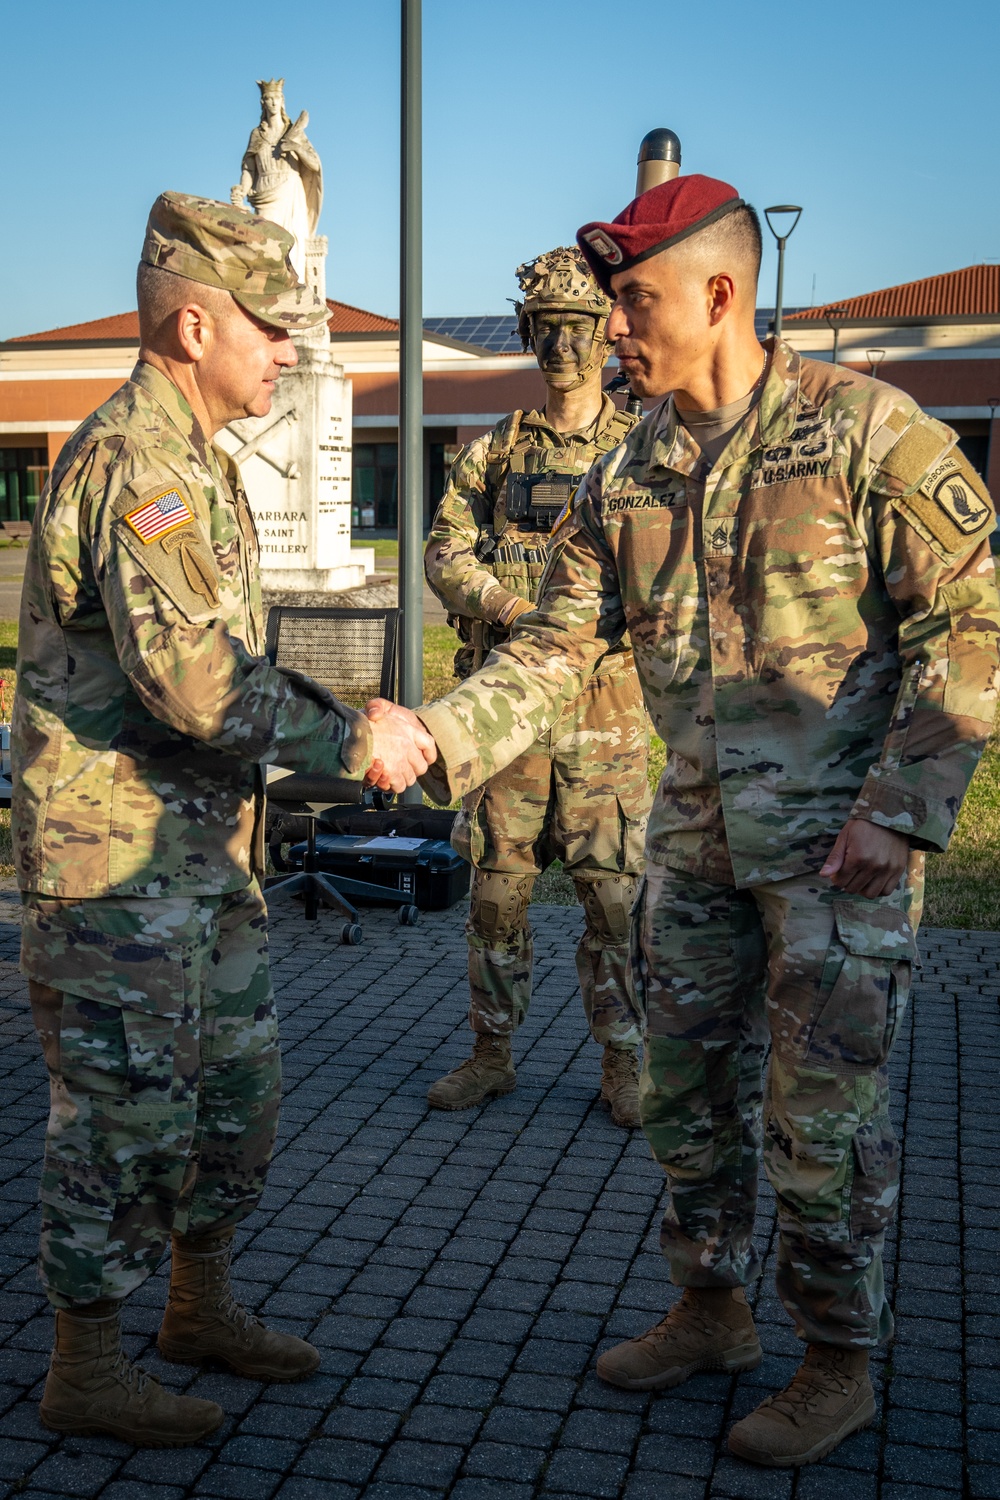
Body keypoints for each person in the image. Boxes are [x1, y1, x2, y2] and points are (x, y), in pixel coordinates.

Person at [373, 174, 1000, 1467]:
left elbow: (975, 628)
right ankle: (710, 1310)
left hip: (841, 859)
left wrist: (903, 809)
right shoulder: (631, 469)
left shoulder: (870, 435)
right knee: (684, 1099)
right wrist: (440, 734)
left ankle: (838, 1361)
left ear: (720, 294)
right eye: (608, 307)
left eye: (634, 302)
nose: (612, 331)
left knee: (818, 1122)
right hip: (695, 846)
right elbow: (555, 646)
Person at [14, 191, 433, 1447]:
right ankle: (85, 1365)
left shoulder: (196, 458)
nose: (288, 349)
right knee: (124, 1118)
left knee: (231, 1101)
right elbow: (197, 681)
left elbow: (221, 664)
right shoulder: (141, 458)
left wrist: (333, 721)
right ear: (195, 325)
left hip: (196, 862)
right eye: (267, 323)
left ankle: (197, 1308)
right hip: (115, 875)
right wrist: (353, 735)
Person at [423, 247, 650, 1125]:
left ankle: (624, 1064)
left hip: (604, 717)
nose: (563, 345)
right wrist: (513, 608)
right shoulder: (492, 454)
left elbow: (674, 570)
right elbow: (444, 552)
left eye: (579, 328)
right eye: (547, 328)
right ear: (528, 335)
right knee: (496, 897)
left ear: (603, 336)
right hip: (506, 719)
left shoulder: (641, 452)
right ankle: (491, 1054)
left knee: (615, 901)